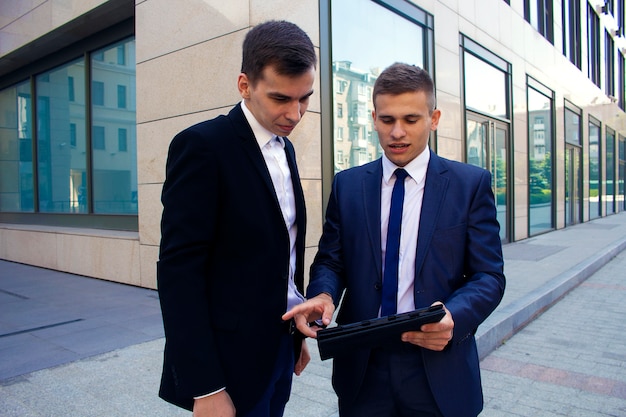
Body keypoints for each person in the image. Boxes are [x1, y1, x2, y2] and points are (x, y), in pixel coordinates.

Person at [283, 62, 506, 417]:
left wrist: (455, 316)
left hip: (437, 365)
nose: (397, 132)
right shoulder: (348, 185)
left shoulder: (470, 185)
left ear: (433, 118)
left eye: (411, 120)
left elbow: (489, 276)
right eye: (387, 120)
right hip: (363, 367)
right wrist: (323, 293)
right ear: (373, 118)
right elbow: (331, 259)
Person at [157, 20, 317, 417]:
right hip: (228, 365)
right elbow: (179, 273)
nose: (295, 114)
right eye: (281, 98)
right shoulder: (203, 146)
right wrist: (206, 386)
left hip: (280, 347)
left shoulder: (286, 149)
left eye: (305, 99)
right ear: (244, 85)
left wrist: (295, 334)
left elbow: (281, 252)